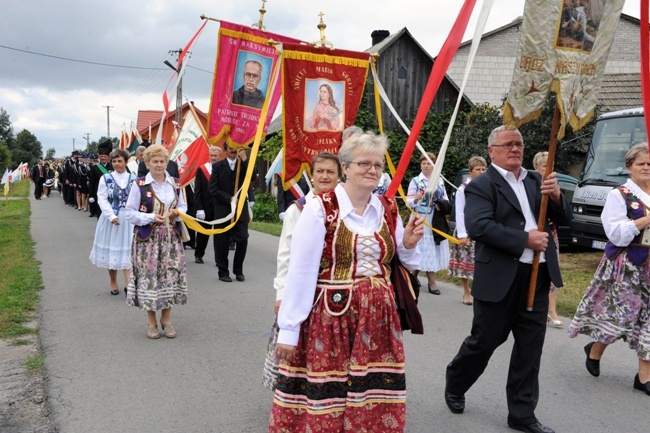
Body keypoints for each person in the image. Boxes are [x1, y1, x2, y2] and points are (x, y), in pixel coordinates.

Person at [269, 133, 424, 432]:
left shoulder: (387, 208)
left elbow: (403, 262)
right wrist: (289, 329)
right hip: (331, 320)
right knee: (331, 392)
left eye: (377, 165)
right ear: (346, 167)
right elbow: (301, 271)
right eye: (364, 163)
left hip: (378, 320)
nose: (372, 170)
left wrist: (407, 242)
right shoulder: (320, 208)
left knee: (373, 394)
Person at [444, 126, 571, 433]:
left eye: (519, 143)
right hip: (500, 277)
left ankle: (522, 414)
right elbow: (480, 227)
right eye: (508, 144)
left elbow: (564, 218)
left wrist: (556, 196)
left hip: (537, 277)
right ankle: (456, 382)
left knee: (530, 347)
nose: (515, 148)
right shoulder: (481, 185)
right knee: (485, 341)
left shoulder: (536, 180)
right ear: (492, 151)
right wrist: (524, 240)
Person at [567, 143, 650, 396]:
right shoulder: (620, 194)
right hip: (626, 265)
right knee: (620, 319)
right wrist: (645, 219)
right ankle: (595, 349)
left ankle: (644, 377)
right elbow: (614, 233)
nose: (646, 168)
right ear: (629, 167)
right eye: (641, 164)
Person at [124, 144, 188, 339]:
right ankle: (151, 322)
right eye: (155, 161)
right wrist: (151, 217)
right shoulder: (140, 184)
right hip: (148, 241)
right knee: (150, 280)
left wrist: (178, 214)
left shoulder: (176, 184)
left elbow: (184, 207)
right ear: (148, 163)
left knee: (169, 277)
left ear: (167, 163)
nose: (159, 165)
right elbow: (129, 213)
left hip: (171, 240)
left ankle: (166, 320)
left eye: (162, 161)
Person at [89, 149, 136, 296]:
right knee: (112, 250)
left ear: (126, 162)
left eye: (120, 161)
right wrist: (111, 216)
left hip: (128, 220)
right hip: (111, 218)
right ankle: (113, 281)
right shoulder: (106, 178)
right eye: (114, 161)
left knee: (127, 250)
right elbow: (102, 198)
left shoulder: (134, 179)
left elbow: (137, 199)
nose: (116, 164)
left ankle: (129, 284)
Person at [209, 143, 254, 283]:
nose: (234, 151)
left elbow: (251, 178)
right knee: (221, 242)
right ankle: (223, 271)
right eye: (231, 149)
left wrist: (245, 159)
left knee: (243, 238)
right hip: (223, 209)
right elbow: (213, 189)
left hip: (240, 209)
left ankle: (238, 270)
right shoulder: (218, 167)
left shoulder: (243, 164)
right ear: (225, 150)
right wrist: (229, 198)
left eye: (236, 149)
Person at [407, 152, 451, 295]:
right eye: (423, 163)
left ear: (433, 165)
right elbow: (408, 201)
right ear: (420, 165)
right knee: (420, 246)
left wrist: (441, 205)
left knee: (429, 247)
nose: (426, 166)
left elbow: (446, 199)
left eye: (429, 163)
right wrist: (415, 198)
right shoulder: (415, 181)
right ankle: (427, 281)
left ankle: (416, 277)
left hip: (435, 219)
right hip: (420, 218)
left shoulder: (439, 180)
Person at [448, 156, 487, 305]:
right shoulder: (463, 189)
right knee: (465, 262)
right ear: (471, 172)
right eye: (478, 169)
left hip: (483, 230)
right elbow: (460, 212)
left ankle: (480, 291)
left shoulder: (489, 187)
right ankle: (466, 291)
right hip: (467, 230)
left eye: (484, 169)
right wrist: (463, 234)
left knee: (481, 263)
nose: (481, 172)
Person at [533, 151, 564, 328]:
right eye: (545, 166)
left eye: (551, 166)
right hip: (534, 235)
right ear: (536, 167)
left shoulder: (554, 186)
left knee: (552, 273)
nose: (549, 170)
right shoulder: (530, 185)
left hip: (550, 235)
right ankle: (539, 307)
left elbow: (562, 213)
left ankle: (552, 310)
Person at [193, 146, 222, 264]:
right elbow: (197, 191)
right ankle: (199, 254)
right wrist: (199, 208)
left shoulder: (224, 169)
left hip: (220, 207)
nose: (213, 158)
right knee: (203, 233)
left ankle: (219, 259)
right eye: (211, 155)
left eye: (216, 156)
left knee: (220, 236)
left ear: (220, 157)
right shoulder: (202, 169)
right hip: (205, 207)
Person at [89, 140, 113, 218]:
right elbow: (92, 182)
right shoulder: (94, 168)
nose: (103, 158)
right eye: (101, 156)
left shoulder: (113, 167)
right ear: (99, 157)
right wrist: (91, 195)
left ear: (108, 157)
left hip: (111, 193)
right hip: (99, 193)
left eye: (105, 156)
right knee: (100, 214)